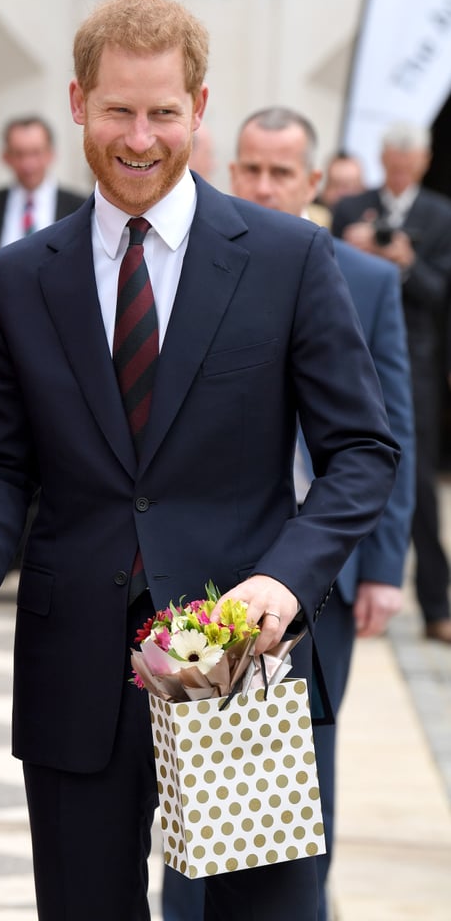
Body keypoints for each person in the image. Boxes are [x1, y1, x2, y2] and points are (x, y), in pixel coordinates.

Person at [0, 0, 399, 921]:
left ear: (198, 108)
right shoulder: (15, 280)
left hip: (242, 669)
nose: (138, 138)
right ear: (76, 102)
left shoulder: (288, 258)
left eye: (162, 113)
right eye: (117, 111)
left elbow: (360, 451)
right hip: (73, 675)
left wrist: (285, 580)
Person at [228, 106, 415, 921]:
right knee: (204, 773)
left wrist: (381, 565)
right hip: (213, 559)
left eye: (282, 173)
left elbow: (389, 430)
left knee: (303, 771)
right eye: (250, 169)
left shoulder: (365, 279)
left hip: (321, 570)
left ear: (313, 184)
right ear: (231, 171)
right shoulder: (200, 267)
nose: (264, 186)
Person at [332, 121, 451, 644]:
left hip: (414, 364)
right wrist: (355, 247)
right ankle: (344, 584)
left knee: (417, 479)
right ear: (382, 160)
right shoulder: (351, 207)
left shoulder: (440, 215)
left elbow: (441, 292)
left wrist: (404, 262)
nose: (400, 171)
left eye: (409, 164)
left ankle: (435, 602)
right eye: (392, 162)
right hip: (352, 355)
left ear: (423, 164)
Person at [0, 115, 86, 339]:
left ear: (51, 154)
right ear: (5, 157)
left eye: (35, 153)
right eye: (19, 154)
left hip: (59, 335)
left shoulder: (79, 208)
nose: (27, 164)